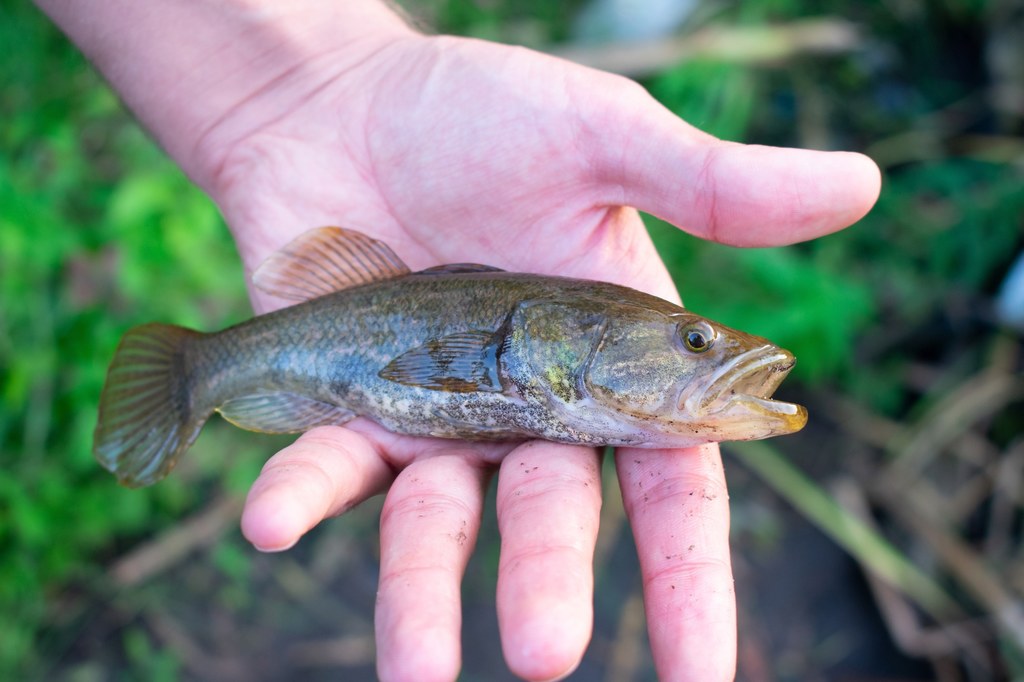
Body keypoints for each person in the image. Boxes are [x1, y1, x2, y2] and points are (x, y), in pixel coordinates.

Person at [36, 1, 880, 680]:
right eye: (692, 342)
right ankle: (190, 371)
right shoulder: (529, 354)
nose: (709, 353)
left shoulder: (558, 365)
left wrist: (309, 76)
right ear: (568, 340)